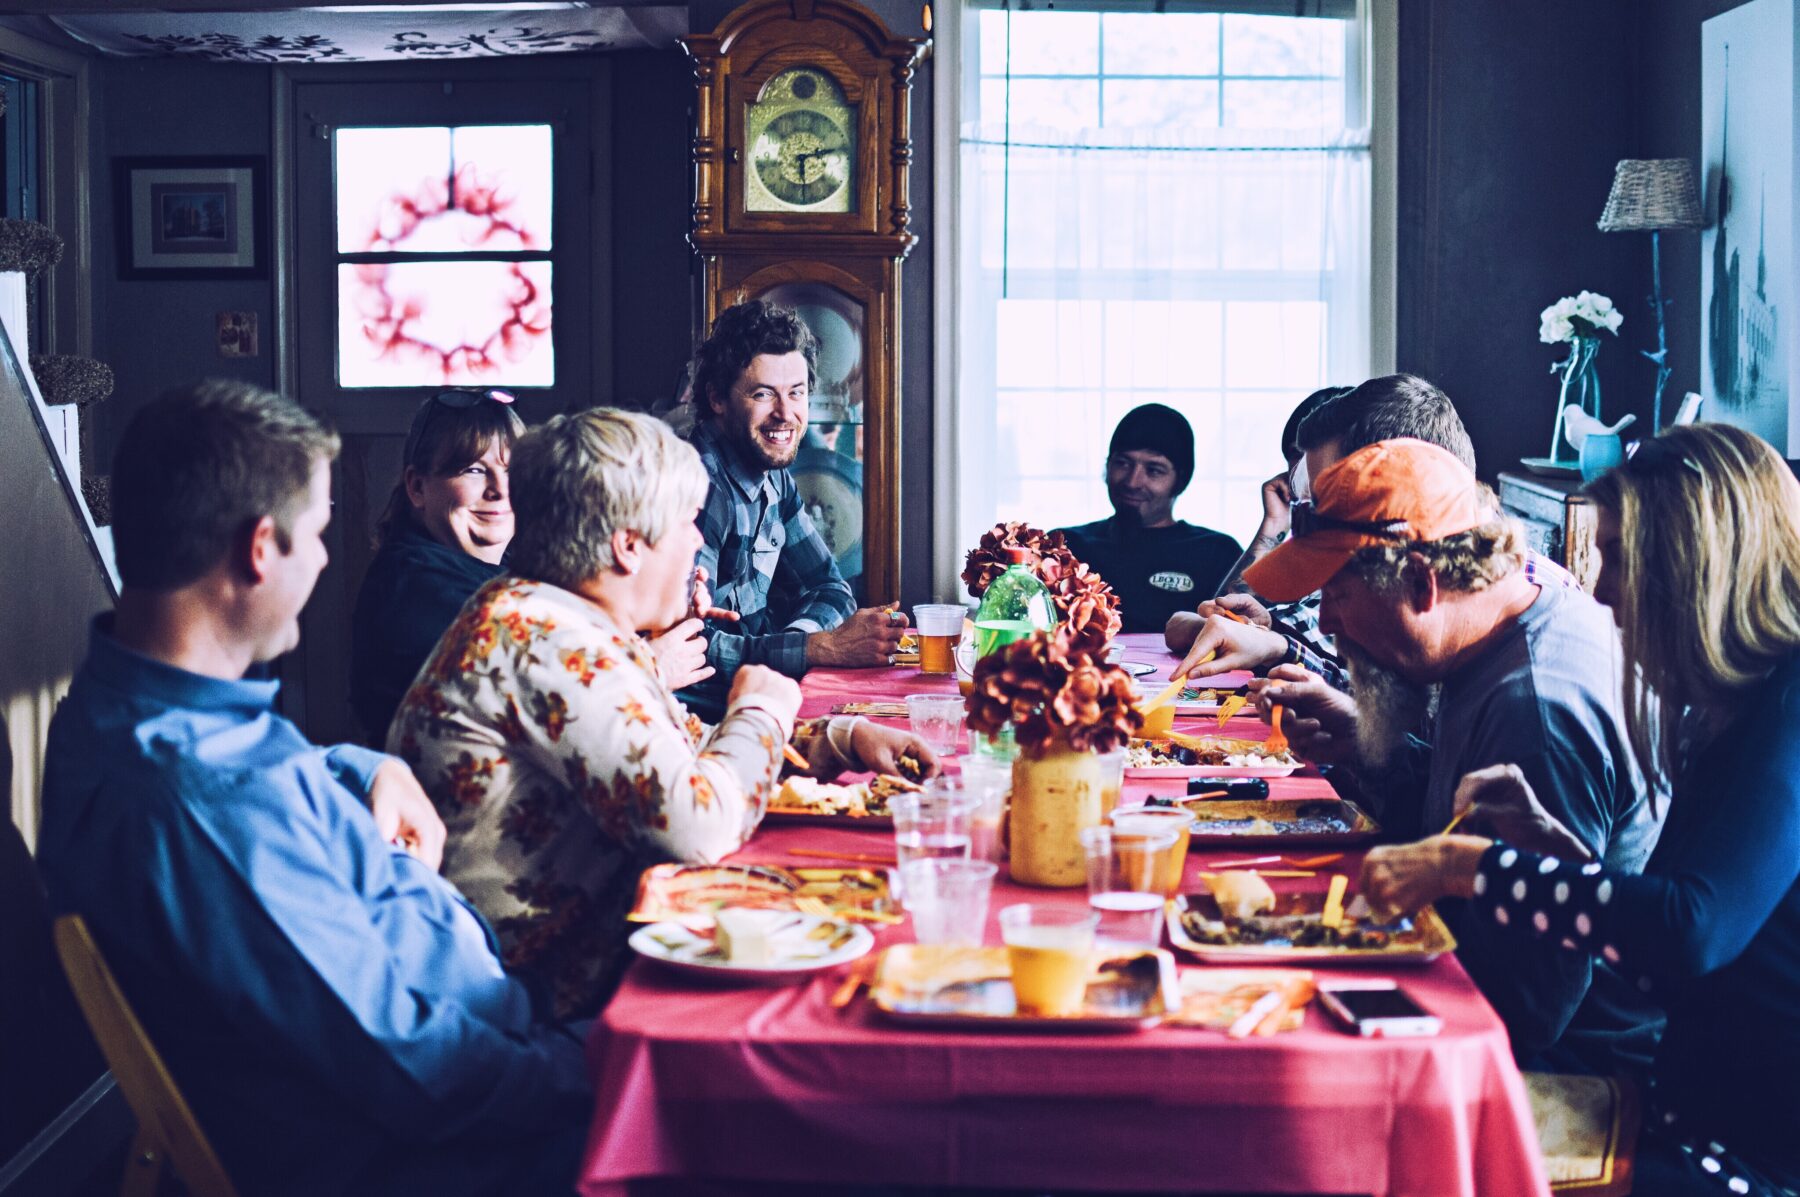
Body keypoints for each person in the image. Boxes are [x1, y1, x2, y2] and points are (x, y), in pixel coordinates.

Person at [36, 380, 590, 1197]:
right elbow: (415, 1070)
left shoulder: (133, 697)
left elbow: (245, 772)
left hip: (484, 1033)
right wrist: (604, 1061)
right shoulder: (207, 803)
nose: (327, 559)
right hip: (443, 1146)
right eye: (318, 534)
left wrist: (362, 765)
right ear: (261, 549)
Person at [1361, 425, 1800, 1196]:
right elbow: (1670, 954)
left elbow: (1690, 931)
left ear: (1696, 566)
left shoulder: (1791, 707)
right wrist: (1551, 849)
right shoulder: (1734, 708)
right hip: (1679, 1112)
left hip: (1741, 1159)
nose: (1600, 589)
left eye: (1622, 559)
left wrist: (1476, 867)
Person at [390, 408, 938, 1019]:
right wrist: (760, 707)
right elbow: (697, 828)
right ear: (628, 547)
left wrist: (841, 739)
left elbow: (684, 745)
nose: (699, 542)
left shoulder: (561, 618)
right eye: (686, 523)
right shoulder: (549, 641)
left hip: (574, 972)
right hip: (529, 1009)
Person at [1240, 437, 1663, 1075]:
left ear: (1422, 582)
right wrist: (1373, 750)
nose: (1324, 622)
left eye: (1336, 594)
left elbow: (1523, 1009)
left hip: (1563, 1081)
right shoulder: (1492, 628)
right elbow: (1464, 830)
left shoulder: (1536, 712)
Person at [681, 300, 907, 721]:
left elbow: (830, 585)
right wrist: (818, 647)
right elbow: (690, 646)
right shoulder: (696, 486)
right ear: (716, 398)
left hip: (764, 696)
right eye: (763, 394)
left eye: (797, 393)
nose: (786, 414)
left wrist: (800, 644)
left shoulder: (772, 474)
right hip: (708, 719)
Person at [350, 388, 524, 741]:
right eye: (474, 470)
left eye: (513, 469)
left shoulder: (491, 570)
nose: (500, 490)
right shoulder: (415, 589)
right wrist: (655, 660)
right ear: (417, 487)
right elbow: (552, 694)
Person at [1166, 385, 1348, 666]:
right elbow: (1213, 621)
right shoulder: (1307, 551)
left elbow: (1213, 631)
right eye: (1295, 455)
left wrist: (1220, 628)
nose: (1301, 470)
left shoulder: (1367, 558)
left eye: (1314, 454)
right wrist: (1273, 525)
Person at [1056, 403, 1242, 634]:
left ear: (1181, 481)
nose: (1133, 481)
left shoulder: (1218, 552)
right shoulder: (1066, 546)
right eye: (1122, 463)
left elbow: (1244, 633)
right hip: (1080, 670)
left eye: (1154, 470)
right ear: (1107, 466)